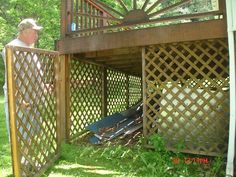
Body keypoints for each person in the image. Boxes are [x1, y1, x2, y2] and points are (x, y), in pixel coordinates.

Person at [2, 18, 43, 140]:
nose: (36, 35)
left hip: (32, 98)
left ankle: (28, 158)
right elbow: (12, 77)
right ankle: (21, 159)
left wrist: (43, 87)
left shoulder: (29, 48)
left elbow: (33, 74)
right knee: (19, 134)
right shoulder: (12, 47)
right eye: (34, 32)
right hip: (20, 100)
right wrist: (20, 100)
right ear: (24, 31)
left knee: (30, 133)